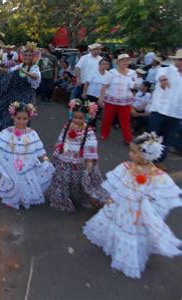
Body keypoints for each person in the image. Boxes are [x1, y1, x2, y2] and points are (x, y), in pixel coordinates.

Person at [83, 132, 182, 279]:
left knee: (132, 231)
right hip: (122, 204)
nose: (130, 154)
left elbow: (160, 195)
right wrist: (104, 197)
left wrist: (149, 201)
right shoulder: (126, 167)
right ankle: (116, 247)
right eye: (131, 151)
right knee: (119, 223)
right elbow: (114, 183)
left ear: (146, 155)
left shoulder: (157, 176)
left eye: (134, 152)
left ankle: (127, 257)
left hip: (138, 211)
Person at [0, 102, 54, 209]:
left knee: (26, 181)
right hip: (11, 162)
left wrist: (45, 158)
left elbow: (38, 147)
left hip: (28, 162)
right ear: (13, 117)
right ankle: (13, 198)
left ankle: (24, 198)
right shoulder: (7, 132)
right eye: (18, 118)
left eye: (24, 119)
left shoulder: (32, 133)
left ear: (29, 118)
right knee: (14, 180)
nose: (21, 121)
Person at [48, 99, 103, 212]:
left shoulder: (88, 130)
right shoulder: (67, 126)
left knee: (77, 181)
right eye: (75, 117)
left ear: (87, 117)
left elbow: (91, 145)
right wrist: (57, 153)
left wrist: (89, 162)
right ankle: (63, 198)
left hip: (79, 160)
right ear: (71, 115)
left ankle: (78, 197)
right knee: (64, 179)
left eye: (81, 118)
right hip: (65, 157)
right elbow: (61, 139)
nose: (77, 120)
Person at [0, 42, 41, 135]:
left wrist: (24, 71)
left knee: (22, 116)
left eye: (30, 55)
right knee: (6, 114)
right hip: (14, 95)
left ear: (33, 57)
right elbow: (9, 72)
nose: (27, 57)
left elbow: (35, 76)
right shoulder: (21, 65)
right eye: (26, 55)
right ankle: (7, 136)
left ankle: (20, 137)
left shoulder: (34, 67)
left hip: (26, 96)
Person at [147, 49, 182, 164]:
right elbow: (160, 74)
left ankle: (158, 162)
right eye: (179, 60)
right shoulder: (166, 70)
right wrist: (163, 80)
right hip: (159, 111)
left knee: (167, 140)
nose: (180, 62)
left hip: (176, 114)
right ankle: (145, 160)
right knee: (151, 138)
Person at [99, 54, 137, 144]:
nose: (125, 62)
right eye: (123, 60)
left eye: (127, 60)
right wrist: (101, 98)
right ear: (118, 62)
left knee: (125, 121)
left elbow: (134, 86)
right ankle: (104, 133)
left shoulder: (132, 73)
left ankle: (128, 139)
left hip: (125, 101)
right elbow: (104, 85)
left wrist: (136, 86)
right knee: (107, 118)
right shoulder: (112, 73)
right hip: (111, 100)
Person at [82, 58, 111, 127]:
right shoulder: (93, 72)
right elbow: (87, 83)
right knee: (89, 109)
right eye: (102, 64)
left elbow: (108, 86)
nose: (104, 65)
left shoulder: (109, 74)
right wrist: (84, 92)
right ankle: (86, 124)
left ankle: (92, 124)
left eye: (106, 64)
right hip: (91, 94)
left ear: (108, 66)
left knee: (97, 111)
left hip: (101, 96)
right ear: (99, 65)